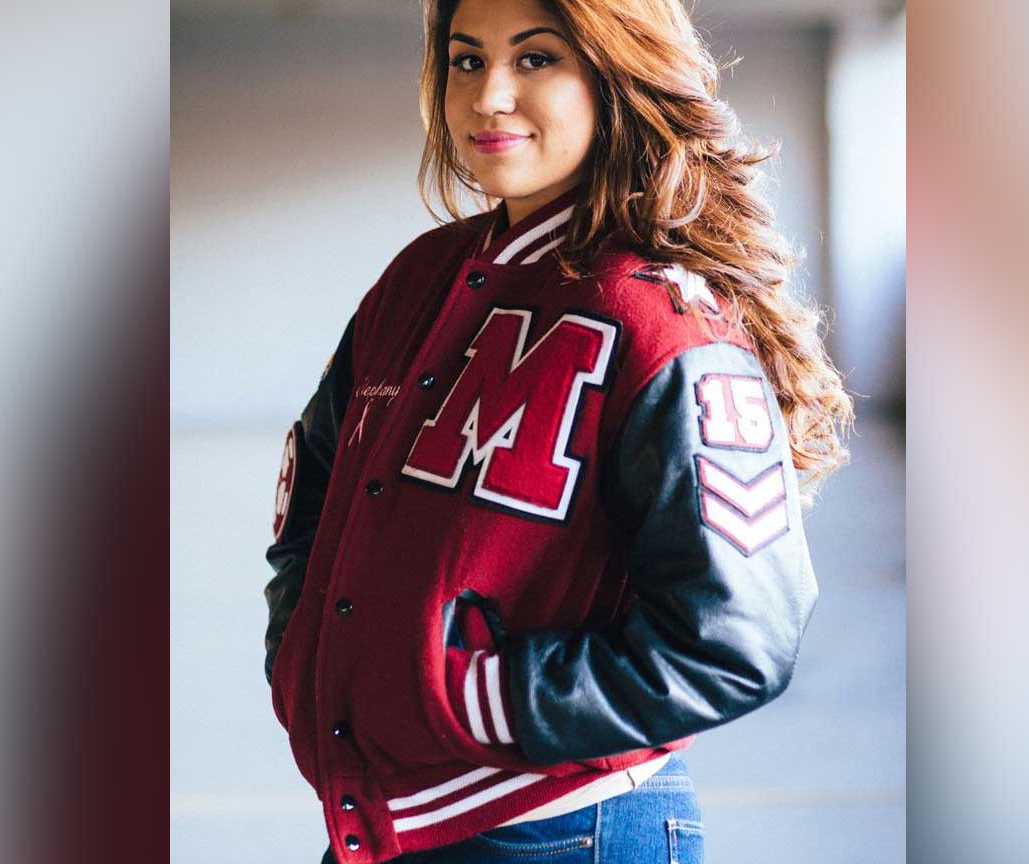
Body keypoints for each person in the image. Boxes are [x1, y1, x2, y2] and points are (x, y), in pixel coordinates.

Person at [263, 0, 854, 862]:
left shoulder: (658, 319)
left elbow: (737, 639)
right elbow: (315, 500)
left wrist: (473, 700)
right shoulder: (416, 280)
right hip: (387, 822)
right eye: (467, 60)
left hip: (567, 832)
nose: (488, 96)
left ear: (616, 77)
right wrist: (302, 650)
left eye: (536, 59)